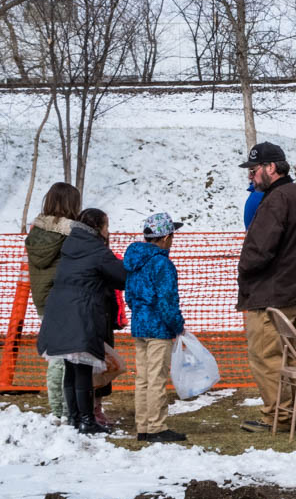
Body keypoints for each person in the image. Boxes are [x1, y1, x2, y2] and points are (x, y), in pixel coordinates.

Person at [236, 141, 296, 433]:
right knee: (292, 356)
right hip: (291, 291)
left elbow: (259, 250)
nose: (251, 176)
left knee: (267, 358)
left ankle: (279, 416)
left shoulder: (275, 200)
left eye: (254, 169)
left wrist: (244, 267)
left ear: (271, 168)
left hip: (270, 295)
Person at [36, 208, 126, 434]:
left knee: (71, 369)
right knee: (83, 371)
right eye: (106, 225)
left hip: (59, 313)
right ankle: (87, 421)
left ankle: (75, 419)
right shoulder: (97, 250)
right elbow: (122, 278)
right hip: (81, 314)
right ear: (98, 227)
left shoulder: (70, 245)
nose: (108, 230)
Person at [124, 212, 187, 443]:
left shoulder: (134, 262)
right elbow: (167, 301)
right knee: (157, 378)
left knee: (143, 379)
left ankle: (143, 426)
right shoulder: (163, 263)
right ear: (166, 237)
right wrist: (177, 325)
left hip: (140, 325)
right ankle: (157, 426)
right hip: (159, 329)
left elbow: (129, 296)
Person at [24, 182, 82, 421]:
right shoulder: (71, 233)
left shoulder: (36, 232)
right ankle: (65, 411)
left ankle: (58, 409)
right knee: (66, 358)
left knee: (55, 357)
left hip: (44, 300)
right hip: (64, 299)